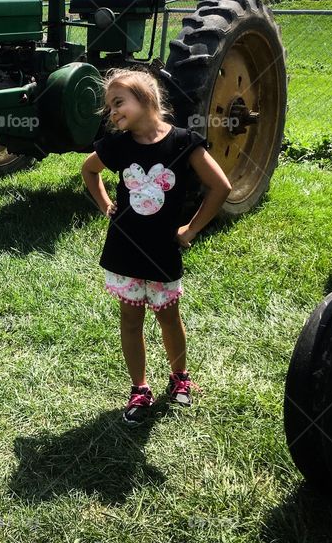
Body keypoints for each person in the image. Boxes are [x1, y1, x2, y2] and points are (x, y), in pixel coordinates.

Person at [81, 68, 232, 424]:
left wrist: (191, 229)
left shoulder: (183, 142)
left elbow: (220, 187)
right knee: (130, 320)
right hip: (125, 250)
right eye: (109, 107)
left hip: (163, 252)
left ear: (147, 98)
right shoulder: (117, 146)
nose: (112, 112)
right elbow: (89, 171)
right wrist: (106, 206)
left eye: (118, 102)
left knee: (168, 318)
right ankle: (140, 388)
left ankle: (179, 377)